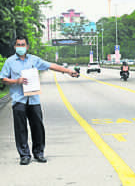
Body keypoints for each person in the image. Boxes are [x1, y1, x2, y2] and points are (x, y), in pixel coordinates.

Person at [0, 36, 79, 165]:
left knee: (38, 126)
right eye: (18, 45)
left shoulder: (34, 60)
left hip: (33, 99)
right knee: (20, 129)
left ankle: (39, 153)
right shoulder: (10, 62)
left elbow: (51, 65)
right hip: (18, 100)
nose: (21, 47)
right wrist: (16, 81)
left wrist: (68, 71)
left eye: (23, 44)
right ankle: (24, 155)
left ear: (27, 46)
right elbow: (3, 78)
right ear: (14, 47)